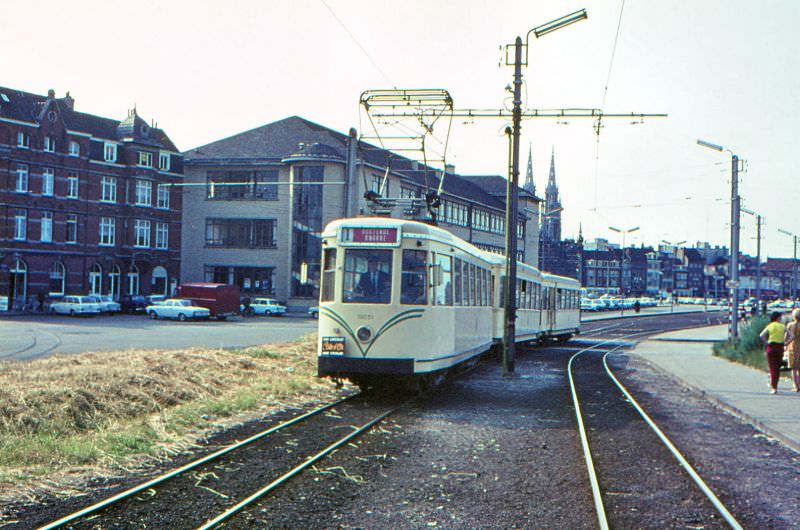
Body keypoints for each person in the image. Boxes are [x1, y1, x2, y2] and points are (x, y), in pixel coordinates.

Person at [759, 311, 786, 394]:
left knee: (772, 367)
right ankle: (775, 385)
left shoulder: (770, 326)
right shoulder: (782, 326)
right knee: (777, 368)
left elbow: (761, 335)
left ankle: (773, 387)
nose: (781, 319)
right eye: (780, 318)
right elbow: (791, 336)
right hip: (780, 347)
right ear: (777, 318)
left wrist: (766, 342)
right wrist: (786, 342)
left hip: (771, 347)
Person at [784, 309, 800, 392]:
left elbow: (786, 337)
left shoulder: (790, 325)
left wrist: (785, 344)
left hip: (792, 347)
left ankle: (796, 386)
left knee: (793, 368)